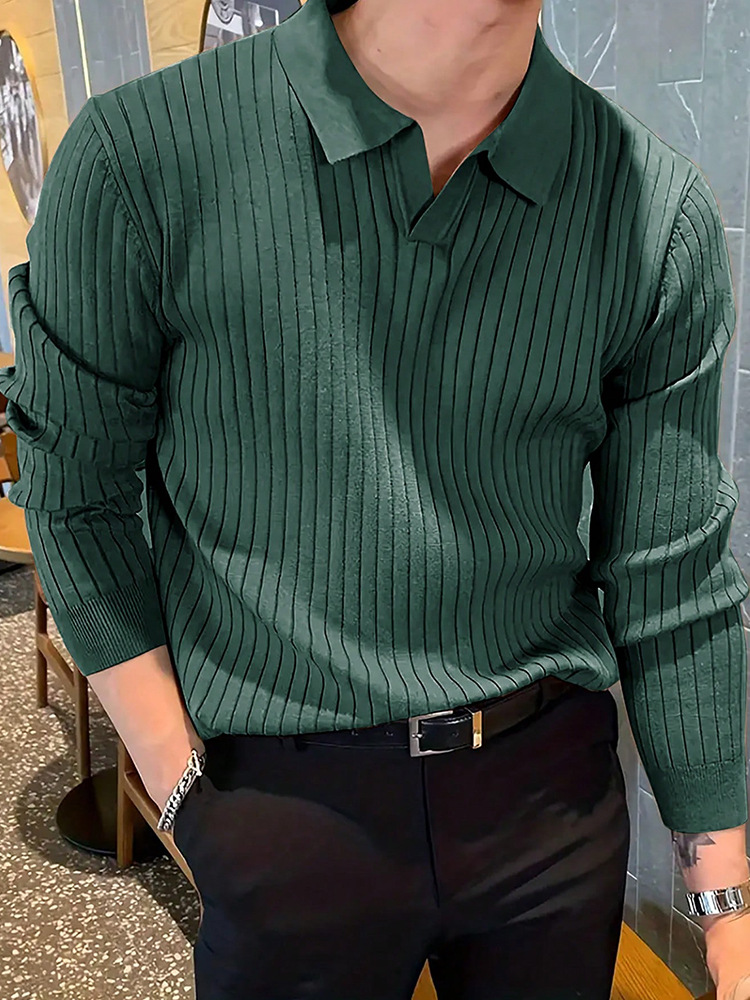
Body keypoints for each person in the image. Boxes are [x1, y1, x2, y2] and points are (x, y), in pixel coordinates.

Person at [1, 0, 749, 997]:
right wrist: (182, 790)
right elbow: (75, 492)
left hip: (549, 803)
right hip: (282, 796)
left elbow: (674, 573)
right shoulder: (143, 155)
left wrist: (726, 912)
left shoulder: (655, 208)